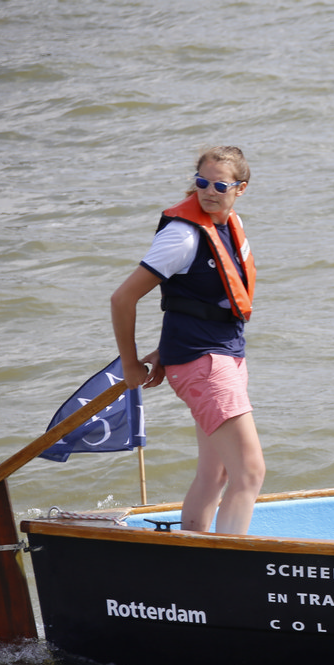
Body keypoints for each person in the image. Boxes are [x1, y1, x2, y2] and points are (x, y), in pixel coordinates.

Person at [111, 145, 265, 534]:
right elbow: (122, 298)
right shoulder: (182, 236)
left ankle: (194, 544)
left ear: (240, 189)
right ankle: (228, 561)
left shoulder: (230, 225)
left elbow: (198, 303)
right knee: (250, 472)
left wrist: (166, 349)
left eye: (220, 185)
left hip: (223, 355)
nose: (209, 192)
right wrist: (130, 364)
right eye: (202, 183)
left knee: (216, 473)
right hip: (204, 362)